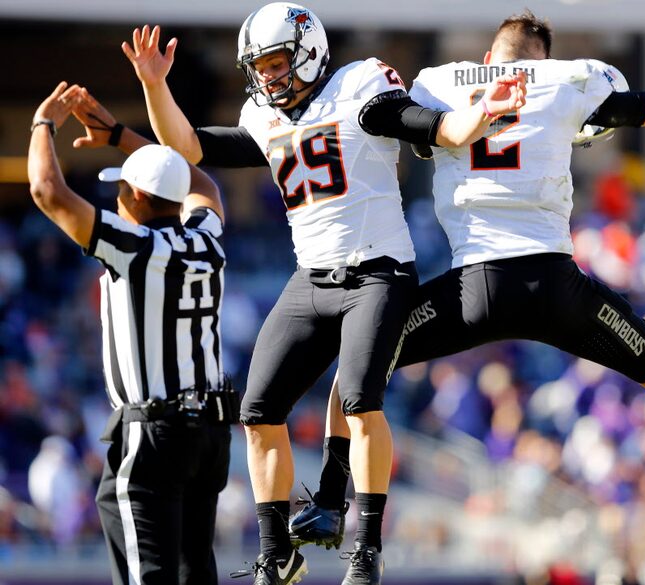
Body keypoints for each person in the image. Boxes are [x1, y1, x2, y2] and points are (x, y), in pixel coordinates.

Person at [291, 10, 645, 552]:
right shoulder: (570, 80)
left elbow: (404, 135)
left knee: (355, 377)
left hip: (474, 288)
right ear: (545, 61)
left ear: (491, 58)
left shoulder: (440, 82)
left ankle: (328, 504)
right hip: (555, 286)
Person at [120, 4, 526, 585]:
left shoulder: (359, 87)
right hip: (311, 278)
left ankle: (367, 547)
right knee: (257, 410)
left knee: (361, 400)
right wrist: (154, 85)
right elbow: (185, 146)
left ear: (309, 50)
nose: (268, 78)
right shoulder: (264, 116)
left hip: (377, 274)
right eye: (258, 67)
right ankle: (277, 552)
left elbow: (437, 129)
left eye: (278, 62)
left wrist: (484, 113)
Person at [28, 83, 237, 585]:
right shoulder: (205, 240)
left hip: (155, 432)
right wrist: (121, 137)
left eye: (122, 188)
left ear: (138, 195)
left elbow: (46, 191)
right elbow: (203, 185)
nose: (117, 198)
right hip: (209, 431)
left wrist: (42, 124)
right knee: (194, 573)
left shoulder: (135, 246)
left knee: (151, 576)